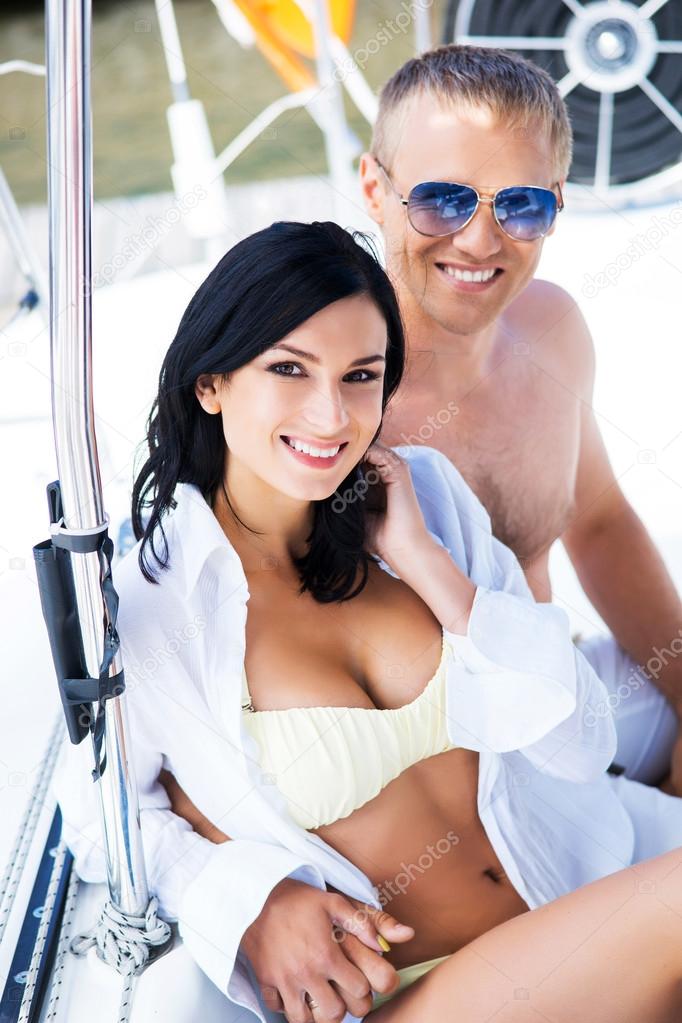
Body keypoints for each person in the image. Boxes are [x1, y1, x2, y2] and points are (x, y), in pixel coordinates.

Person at [53, 220, 682, 1023]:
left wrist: (427, 564)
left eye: (360, 375)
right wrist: (250, 902)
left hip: (580, 898)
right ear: (210, 384)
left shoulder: (427, 500)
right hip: (420, 988)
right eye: (288, 368)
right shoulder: (151, 604)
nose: (330, 414)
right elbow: (101, 820)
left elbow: (580, 741)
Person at [358, 44, 682, 794]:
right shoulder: (328, 395)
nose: (479, 239)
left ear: (556, 207)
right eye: (443, 198)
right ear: (375, 187)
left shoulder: (551, 329)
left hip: (566, 720)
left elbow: (599, 524)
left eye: (520, 205)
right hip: (440, 795)